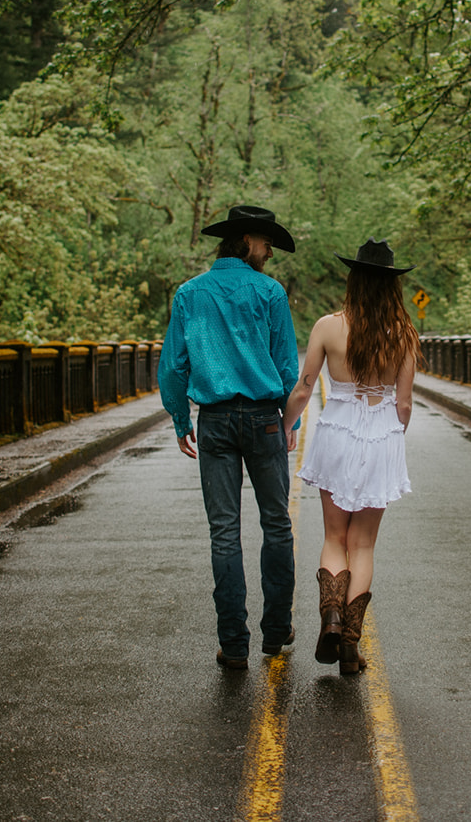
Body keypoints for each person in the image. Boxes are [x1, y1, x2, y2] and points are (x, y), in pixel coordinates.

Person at [159, 204, 301, 671]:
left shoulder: (190, 294)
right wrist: (289, 424)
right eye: (266, 244)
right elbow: (285, 367)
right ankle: (276, 632)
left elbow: (174, 366)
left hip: (215, 421)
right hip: (262, 418)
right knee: (277, 524)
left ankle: (233, 644)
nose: (269, 254)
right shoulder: (269, 292)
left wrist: (182, 420)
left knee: (224, 533)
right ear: (245, 240)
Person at [284, 238, 420, 675]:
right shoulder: (403, 334)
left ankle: (331, 617)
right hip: (381, 436)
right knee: (363, 543)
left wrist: (286, 425)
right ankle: (349, 645)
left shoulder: (328, 326)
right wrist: (391, 438)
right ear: (392, 287)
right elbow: (403, 405)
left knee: (333, 538)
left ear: (353, 280)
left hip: (337, 433)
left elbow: (305, 387)